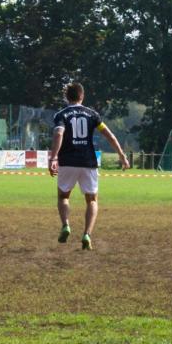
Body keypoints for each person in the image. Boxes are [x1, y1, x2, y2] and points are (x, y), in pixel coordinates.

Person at [48, 82, 130, 250]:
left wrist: (53, 157)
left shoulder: (61, 114)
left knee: (63, 197)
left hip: (68, 161)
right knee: (92, 200)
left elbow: (58, 133)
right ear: (82, 96)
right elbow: (110, 136)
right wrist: (122, 155)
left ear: (66, 97)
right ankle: (87, 234)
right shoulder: (92, 114)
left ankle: (66, 225)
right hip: (88, 162)